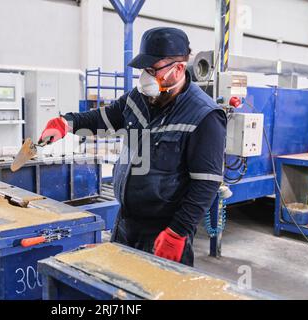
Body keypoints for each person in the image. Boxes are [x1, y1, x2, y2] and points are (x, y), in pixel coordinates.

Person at [38, 27, 226, 267]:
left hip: (163, 232)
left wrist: (178, 231)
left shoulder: (204, 115)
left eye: (152, 70)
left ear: (178, 68)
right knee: (120, 293)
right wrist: (65, 123)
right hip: (126, 223)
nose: (145, 77)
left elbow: (206, 182)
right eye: (143, 70)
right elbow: (102, 118)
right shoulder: (138, 98)